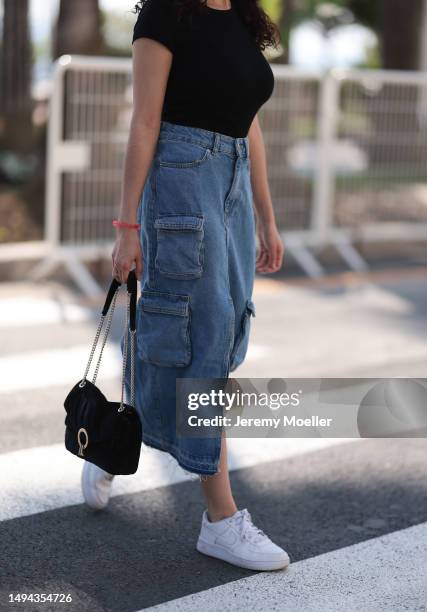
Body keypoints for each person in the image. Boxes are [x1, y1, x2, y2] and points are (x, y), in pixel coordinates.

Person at [81, 0, 288, 571]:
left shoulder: (241, 19)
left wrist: (267, 218)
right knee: (200, 338)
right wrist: (127, 227)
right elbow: (145, 120)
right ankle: (221, 521)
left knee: (210, 333)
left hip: (233, 191)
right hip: (180, 185)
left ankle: (111, 439)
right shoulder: (166, 14)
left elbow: (250, 128)